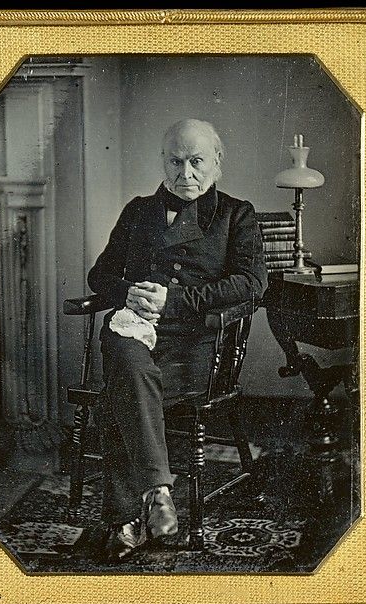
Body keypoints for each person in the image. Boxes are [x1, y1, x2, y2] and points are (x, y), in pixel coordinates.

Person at [88, 118, 268, 560]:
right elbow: (100, 274)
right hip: (134, 333)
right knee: (126, 361)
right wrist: (125, 291)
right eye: (176, 161)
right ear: (163, 162)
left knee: (122, 389)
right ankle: (158, 493)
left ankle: (127, 519)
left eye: (196, 161)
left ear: (217, 163)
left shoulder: (235, 213)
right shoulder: (137, 210)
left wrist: (175, 300)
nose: (185, 173)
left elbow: (252, 283)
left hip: (195, 345)